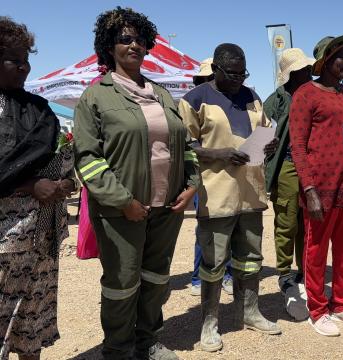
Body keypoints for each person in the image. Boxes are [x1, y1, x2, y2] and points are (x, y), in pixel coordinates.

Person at [73, 8, 200, 359]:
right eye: (124, 39)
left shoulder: (162, 95)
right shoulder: (96, 96)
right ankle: (118, 348)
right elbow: (87, 158)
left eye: (139, 39)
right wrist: (122, 201)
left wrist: (192, 186)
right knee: (122, 285)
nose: (133, 44)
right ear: (109, 47)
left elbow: (186, 147)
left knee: (156, 280)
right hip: (121, 212)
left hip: (167, 208)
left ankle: (148, 341)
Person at [179, 43, 281, 352]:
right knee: (213, 263)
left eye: (243, 73)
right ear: (216, 70)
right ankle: (209, 322)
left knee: (250, 259)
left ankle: (249, 312)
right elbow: (183, 146)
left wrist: (269, 145)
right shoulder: (194, 100)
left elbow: (264, 131)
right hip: (216, 194)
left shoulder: (252, 97)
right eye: (232, 74)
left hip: (251, 192)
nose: (239, 79)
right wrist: (219, 153)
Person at [0, 17, 78, 360]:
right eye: (14, 60)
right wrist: (31, 184)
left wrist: (64, 181)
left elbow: (56, 157)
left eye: (25, 59)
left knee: (31, 326)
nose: (24, 67)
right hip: (5, 239)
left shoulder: (39, 109)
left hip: (41, 237)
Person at [289, 34, 343, 337]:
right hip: (321, 187)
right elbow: (297, 146)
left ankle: (341, 303)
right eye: (340, 56)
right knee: (315, 250)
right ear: (324, 61)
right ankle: (317, 309)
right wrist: (309, 190)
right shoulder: (305, 94)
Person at [263, 48, 315, 320]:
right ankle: (284, 274)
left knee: (308, 222)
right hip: (286, 165)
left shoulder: (314, 95)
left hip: (312, 166)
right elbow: (263, 135)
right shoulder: (276, 101)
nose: (308, 74)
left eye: (308, 69)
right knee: (287, 221)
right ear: (291, 74)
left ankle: (305, 271)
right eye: (302, 71)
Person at [189, 57, 234, 297]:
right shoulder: (194, 104)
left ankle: (227, 274)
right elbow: (190, 146)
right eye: (206, 79)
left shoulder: (227, 104)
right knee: (205, 232)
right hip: (204, 179)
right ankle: (198, 277)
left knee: (227, 231)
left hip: (228, 178)